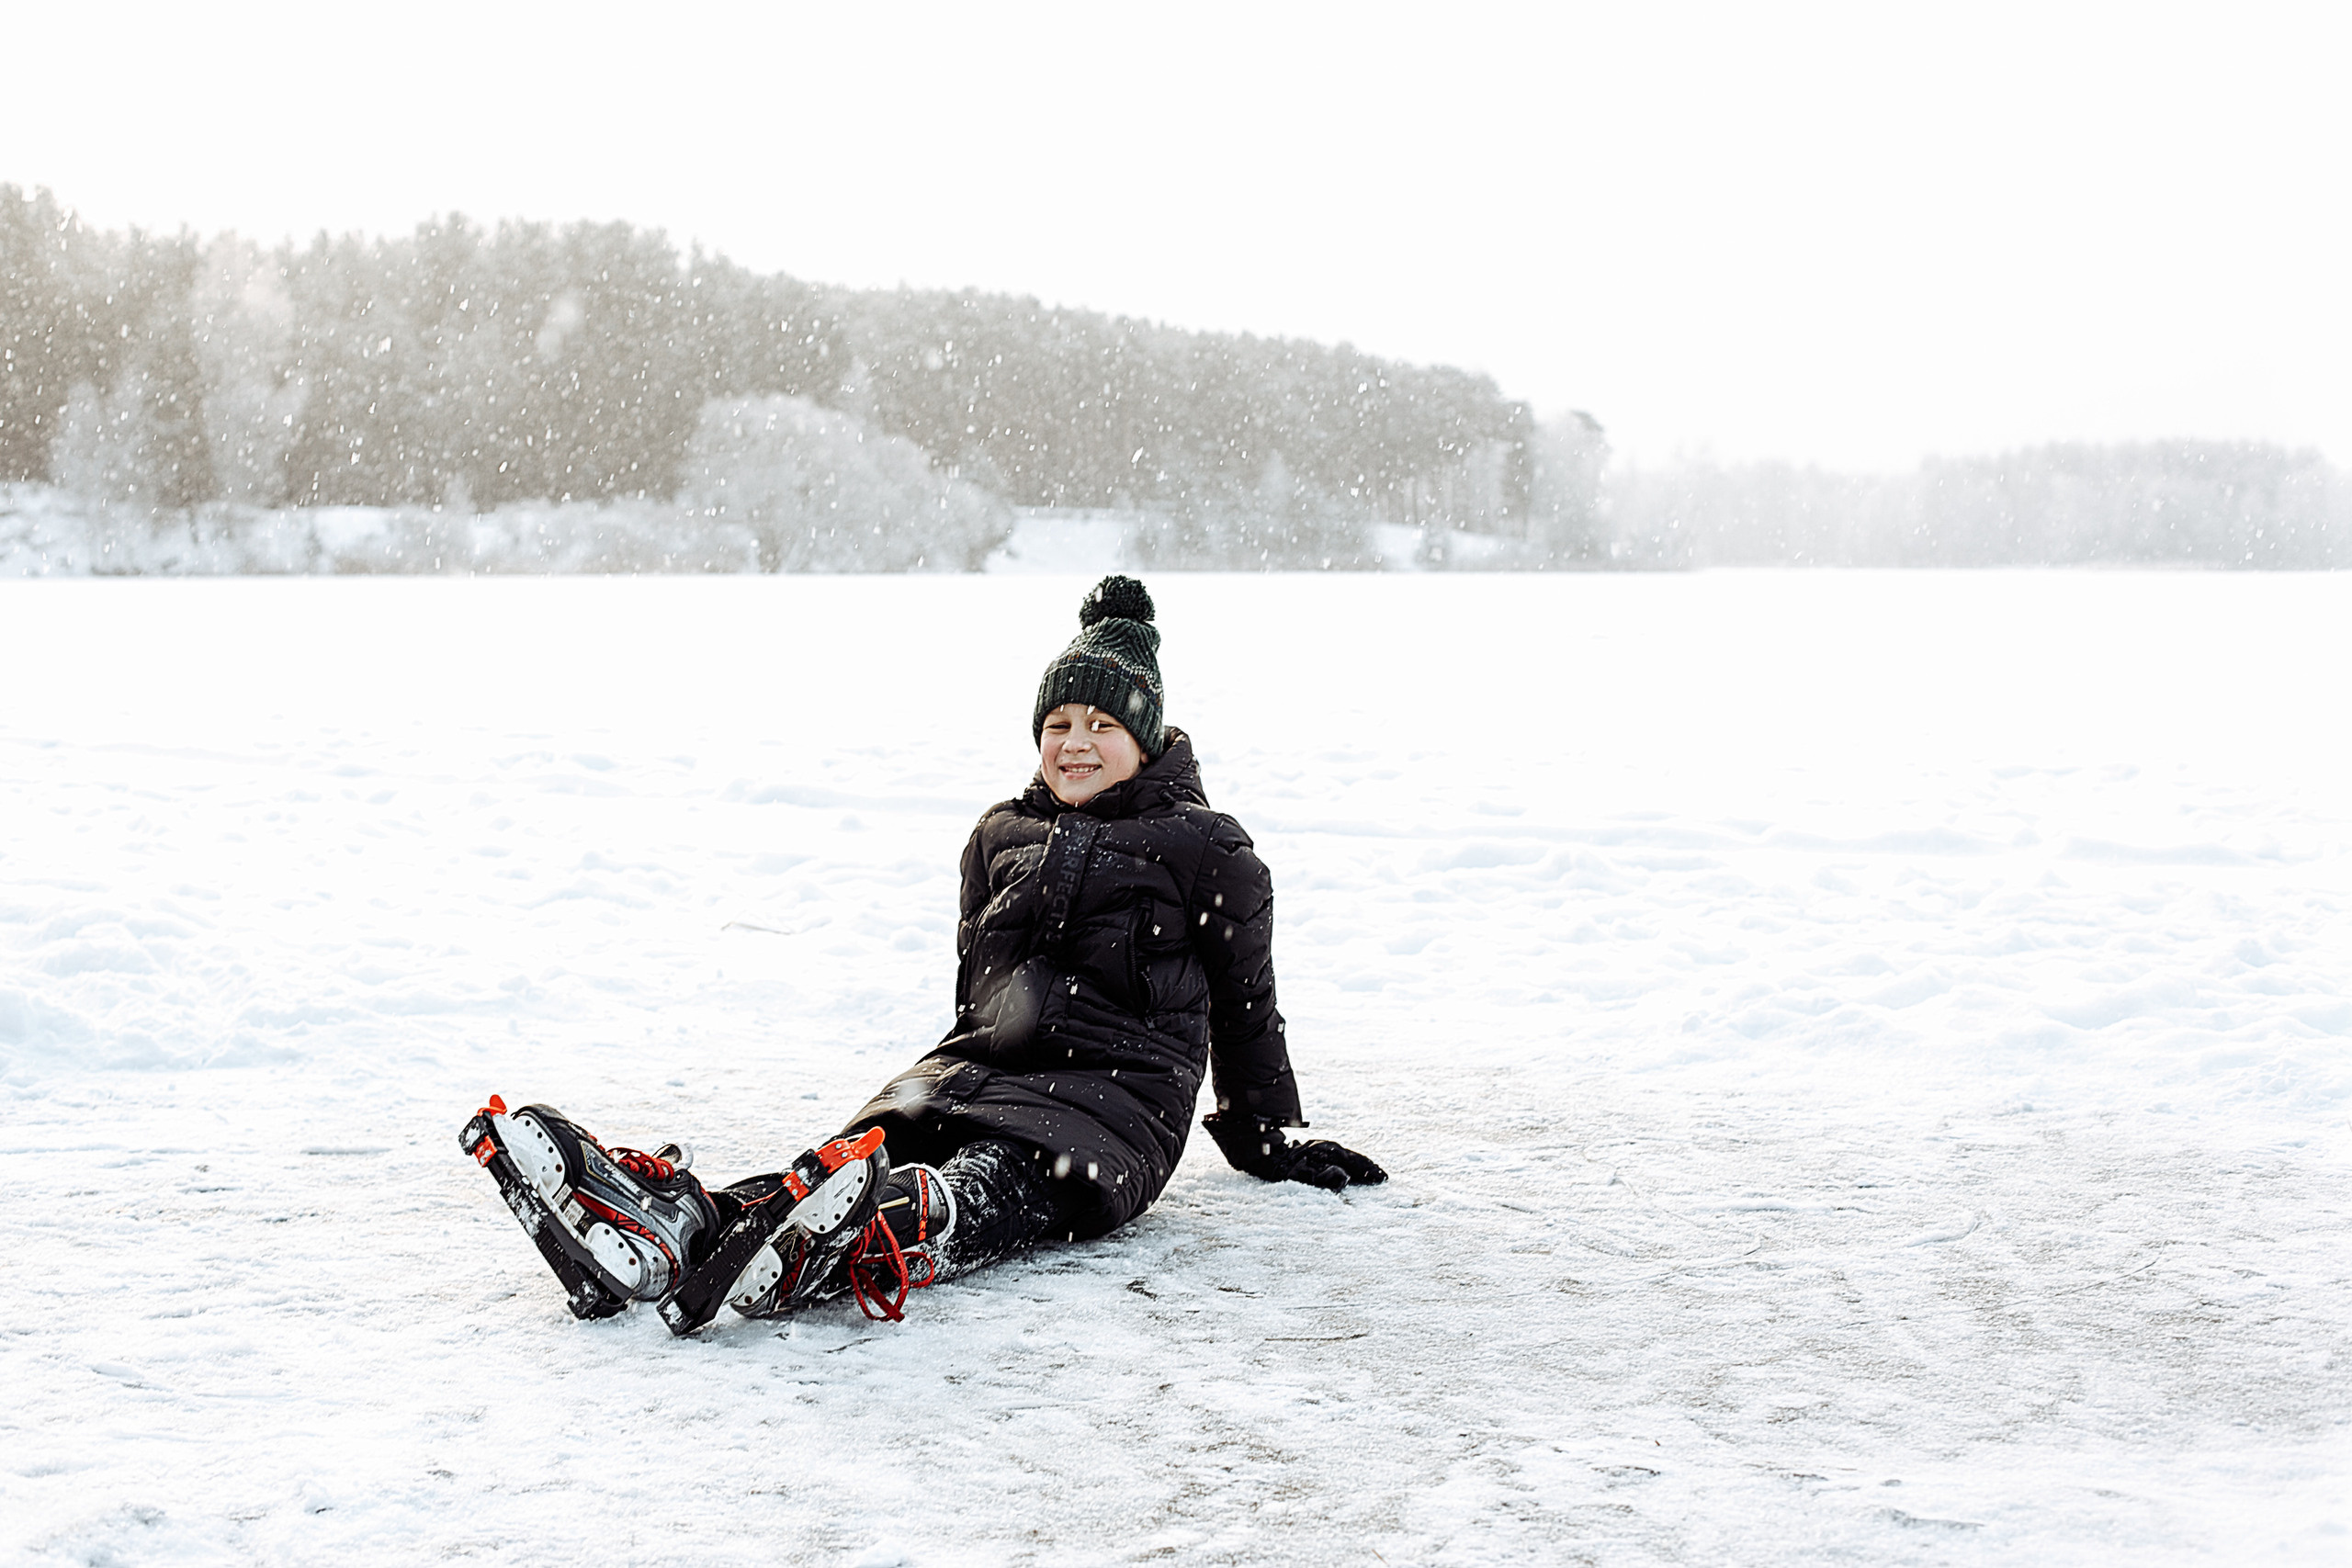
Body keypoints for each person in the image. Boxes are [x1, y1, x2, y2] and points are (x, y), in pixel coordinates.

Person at [462, 575, 1385, 1332]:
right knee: (844, 1162)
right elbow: (976, 1000)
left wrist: (1267, 1137)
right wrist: (932, 1097)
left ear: (1143, 740)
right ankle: (678, 1226)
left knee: (986, 1183)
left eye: (1101, 727)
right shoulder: (999, 833)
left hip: (1111, 1113)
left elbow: (1245, 1007)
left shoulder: (1208, 848)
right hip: (968, 1076)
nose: (1075, 744)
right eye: (1058, 725)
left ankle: (896, 1225)